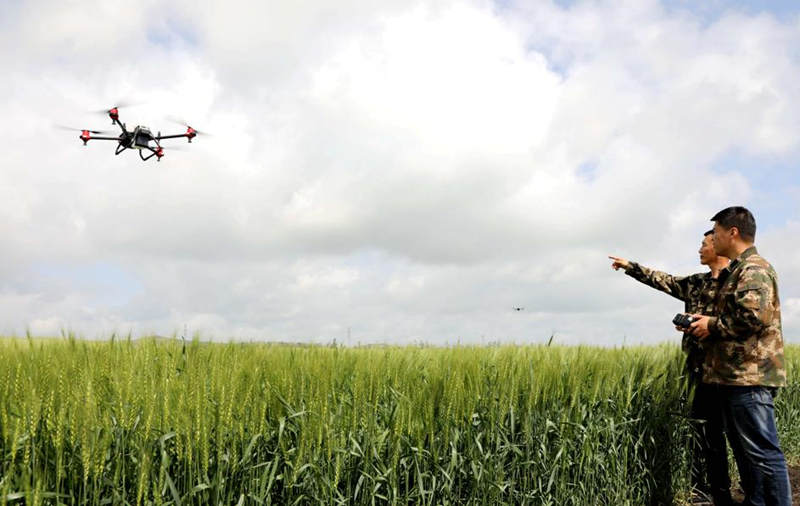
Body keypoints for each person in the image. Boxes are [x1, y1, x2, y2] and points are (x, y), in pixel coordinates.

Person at [609, 231, 733, 505]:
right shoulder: (696, 283)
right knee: (701, 436)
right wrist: (631, 267)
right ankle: (703, 491)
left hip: (730, 374)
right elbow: (662, 280)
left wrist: (710, 326)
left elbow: (743, 322)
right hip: (696, 373)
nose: (699, 249)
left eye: (704, 244)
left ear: (718, 245)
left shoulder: (738, 281)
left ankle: (731, 493)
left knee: (732, 437)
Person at [688, 206, 791, 506]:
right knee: (750, 453)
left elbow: (752, 318)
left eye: (716, 232)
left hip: (751, 378)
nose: (713, 238)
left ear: (732, 232)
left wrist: (711, 325)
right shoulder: (738, 269)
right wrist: (706, 324)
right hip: (737, 378)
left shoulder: (753, 269)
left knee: (763, 454)